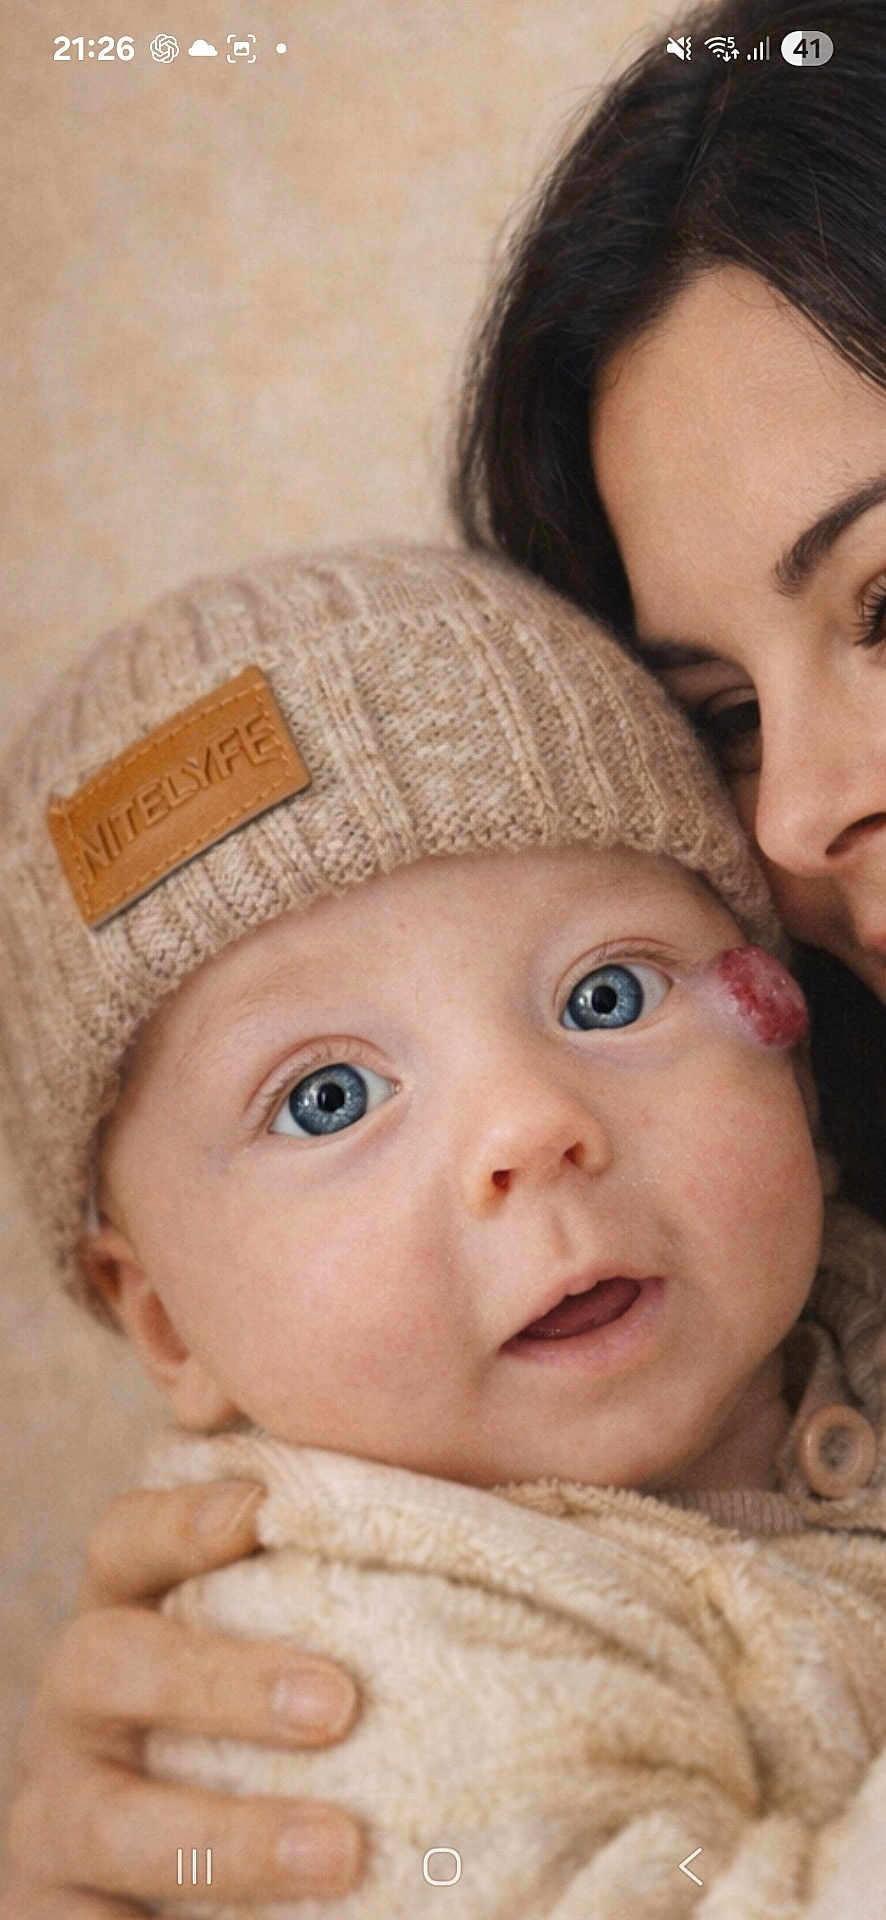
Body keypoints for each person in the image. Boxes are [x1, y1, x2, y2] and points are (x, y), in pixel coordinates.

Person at [9, 0, 886, 1907]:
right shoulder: (349, 1664)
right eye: (721, 713)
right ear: (154, 1311)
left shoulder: (821, 1314)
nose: (803, 808)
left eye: (604, 996)